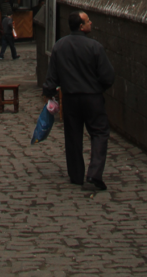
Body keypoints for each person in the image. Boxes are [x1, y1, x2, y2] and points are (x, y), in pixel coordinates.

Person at [43, 10, 115, 192]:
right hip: (92, 97)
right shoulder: (94, 47)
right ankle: (94, 173)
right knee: (99, 133)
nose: (91, 23)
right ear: (81, 26)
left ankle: (76, 175)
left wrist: (49, 92)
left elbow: (52, 76)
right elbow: (108, 76)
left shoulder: (60, 46)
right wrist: (98, 88)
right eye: (88, 21)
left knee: (73, 136)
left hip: (71, 98)